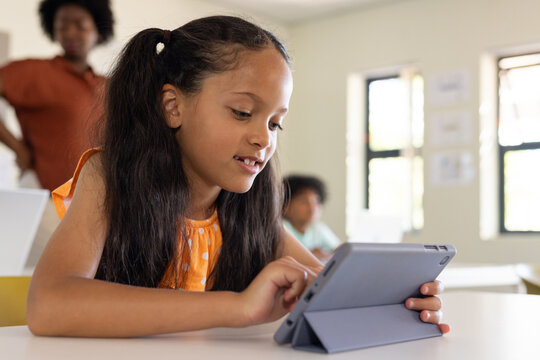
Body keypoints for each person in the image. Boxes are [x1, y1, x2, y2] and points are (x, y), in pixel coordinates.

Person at [27, 15, 449, 337]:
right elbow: (48, 305)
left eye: (275, 123)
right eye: (243, 113)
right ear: (173, 106)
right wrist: (237, 307)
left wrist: (400, 302)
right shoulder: (109, 176)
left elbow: (328, 291)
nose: (262, 138)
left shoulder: (251, 205)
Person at [0, 0, 114, 192]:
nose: (70, 33)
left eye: (80, 25)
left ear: (98, 31)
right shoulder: (34, 72)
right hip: (43, 192)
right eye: (62, 26)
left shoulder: (108, 86)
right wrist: (18, 149)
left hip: (94, 197)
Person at [282, 175, 340, 261]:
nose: (312, 207)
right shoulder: (281, 227)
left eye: (316, 201)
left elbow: (339, 249)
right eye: (303, 201)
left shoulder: (318, 228)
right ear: (285, 206)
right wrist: (312, 255)